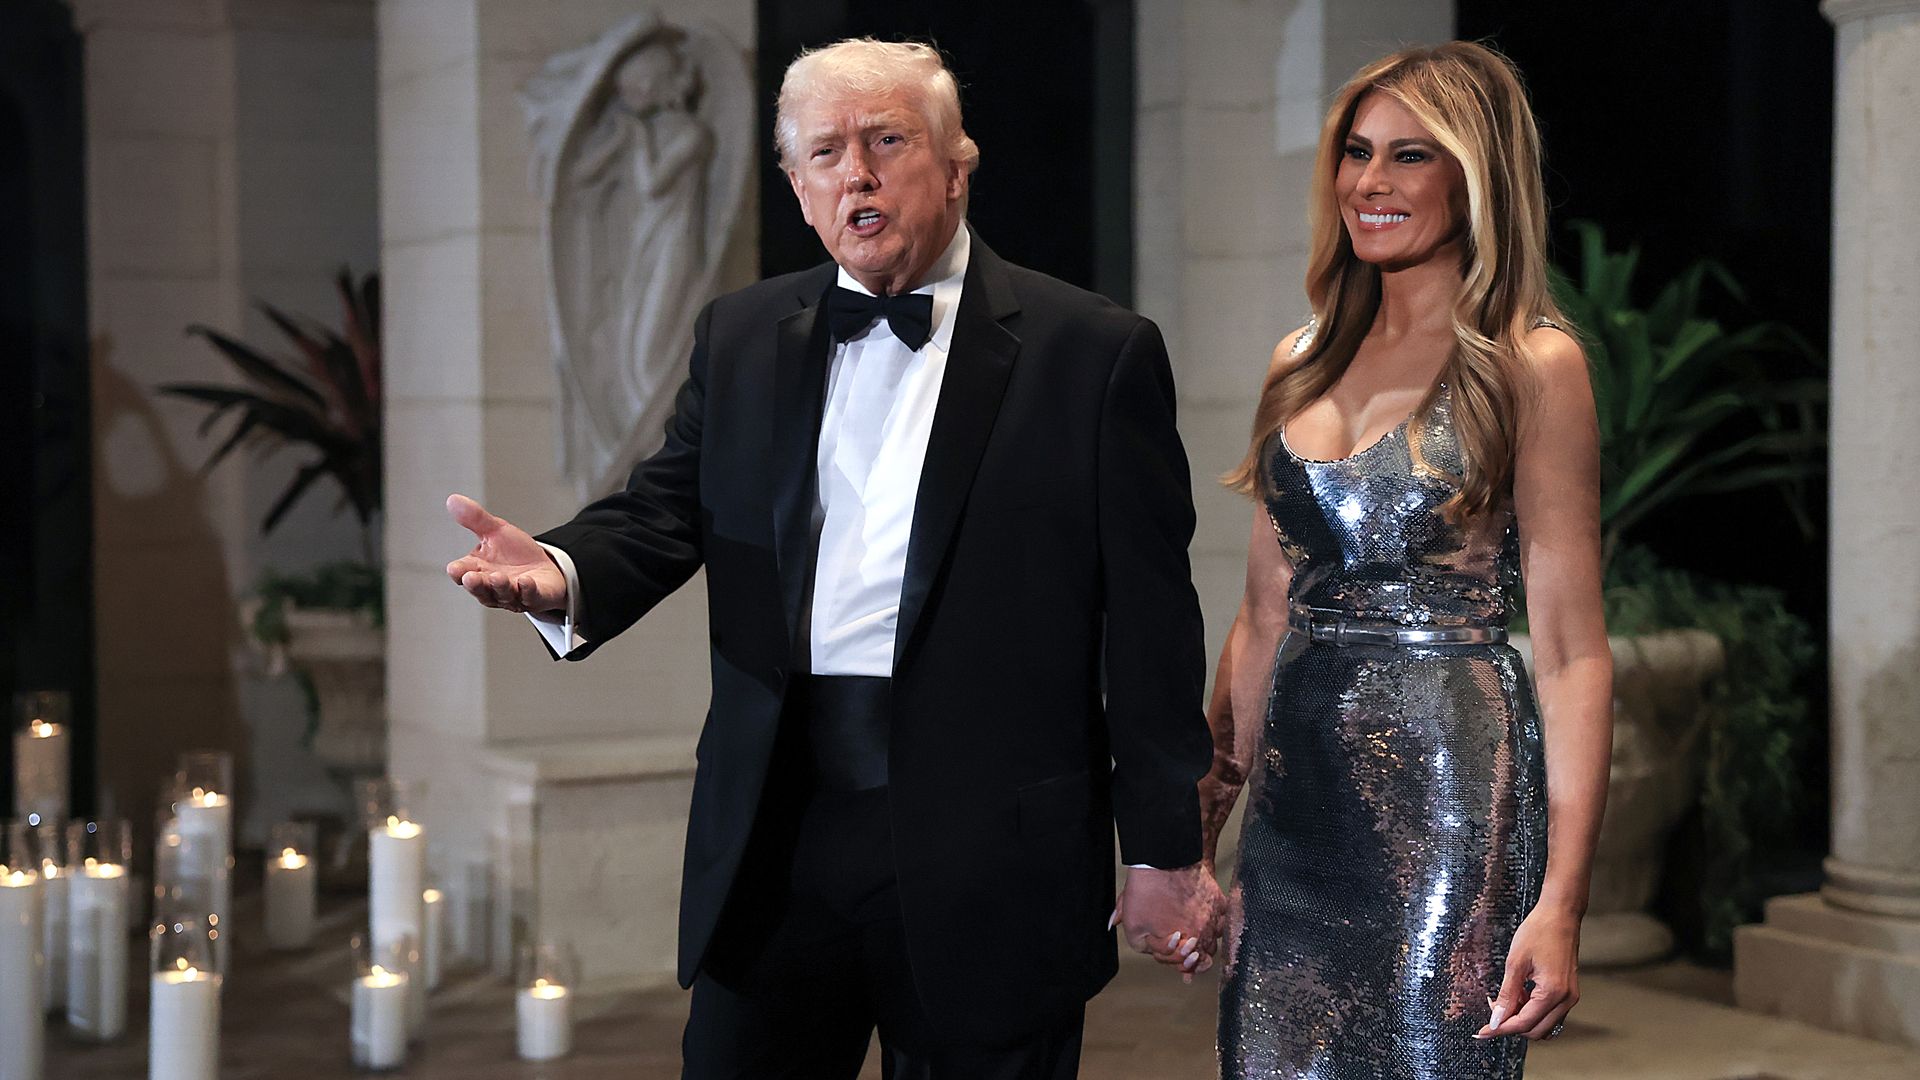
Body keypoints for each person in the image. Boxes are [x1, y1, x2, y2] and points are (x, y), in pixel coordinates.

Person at [444, 38, 1223, 1079]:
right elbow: (666, 510)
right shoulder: (742, 333)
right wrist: (560, 569)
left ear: (956, 162)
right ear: (798, 188)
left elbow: (1152, 624)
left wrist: (1167, 845)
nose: (854, 171)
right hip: (778, 836)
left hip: (994, 853)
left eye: (885, 141)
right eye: (824, 152)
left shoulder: (1095, 352)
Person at [1203, 42, 1612, 1077]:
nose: (1370, 184)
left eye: (1410, 157)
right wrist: (1204, 823)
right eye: (1356, 152)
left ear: (1475, 178)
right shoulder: (1300, 362)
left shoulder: (1532, 365)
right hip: (1296, 809)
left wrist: (1561, 900)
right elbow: (1261, 617)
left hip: (1448, 803)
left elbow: (1570, 653)